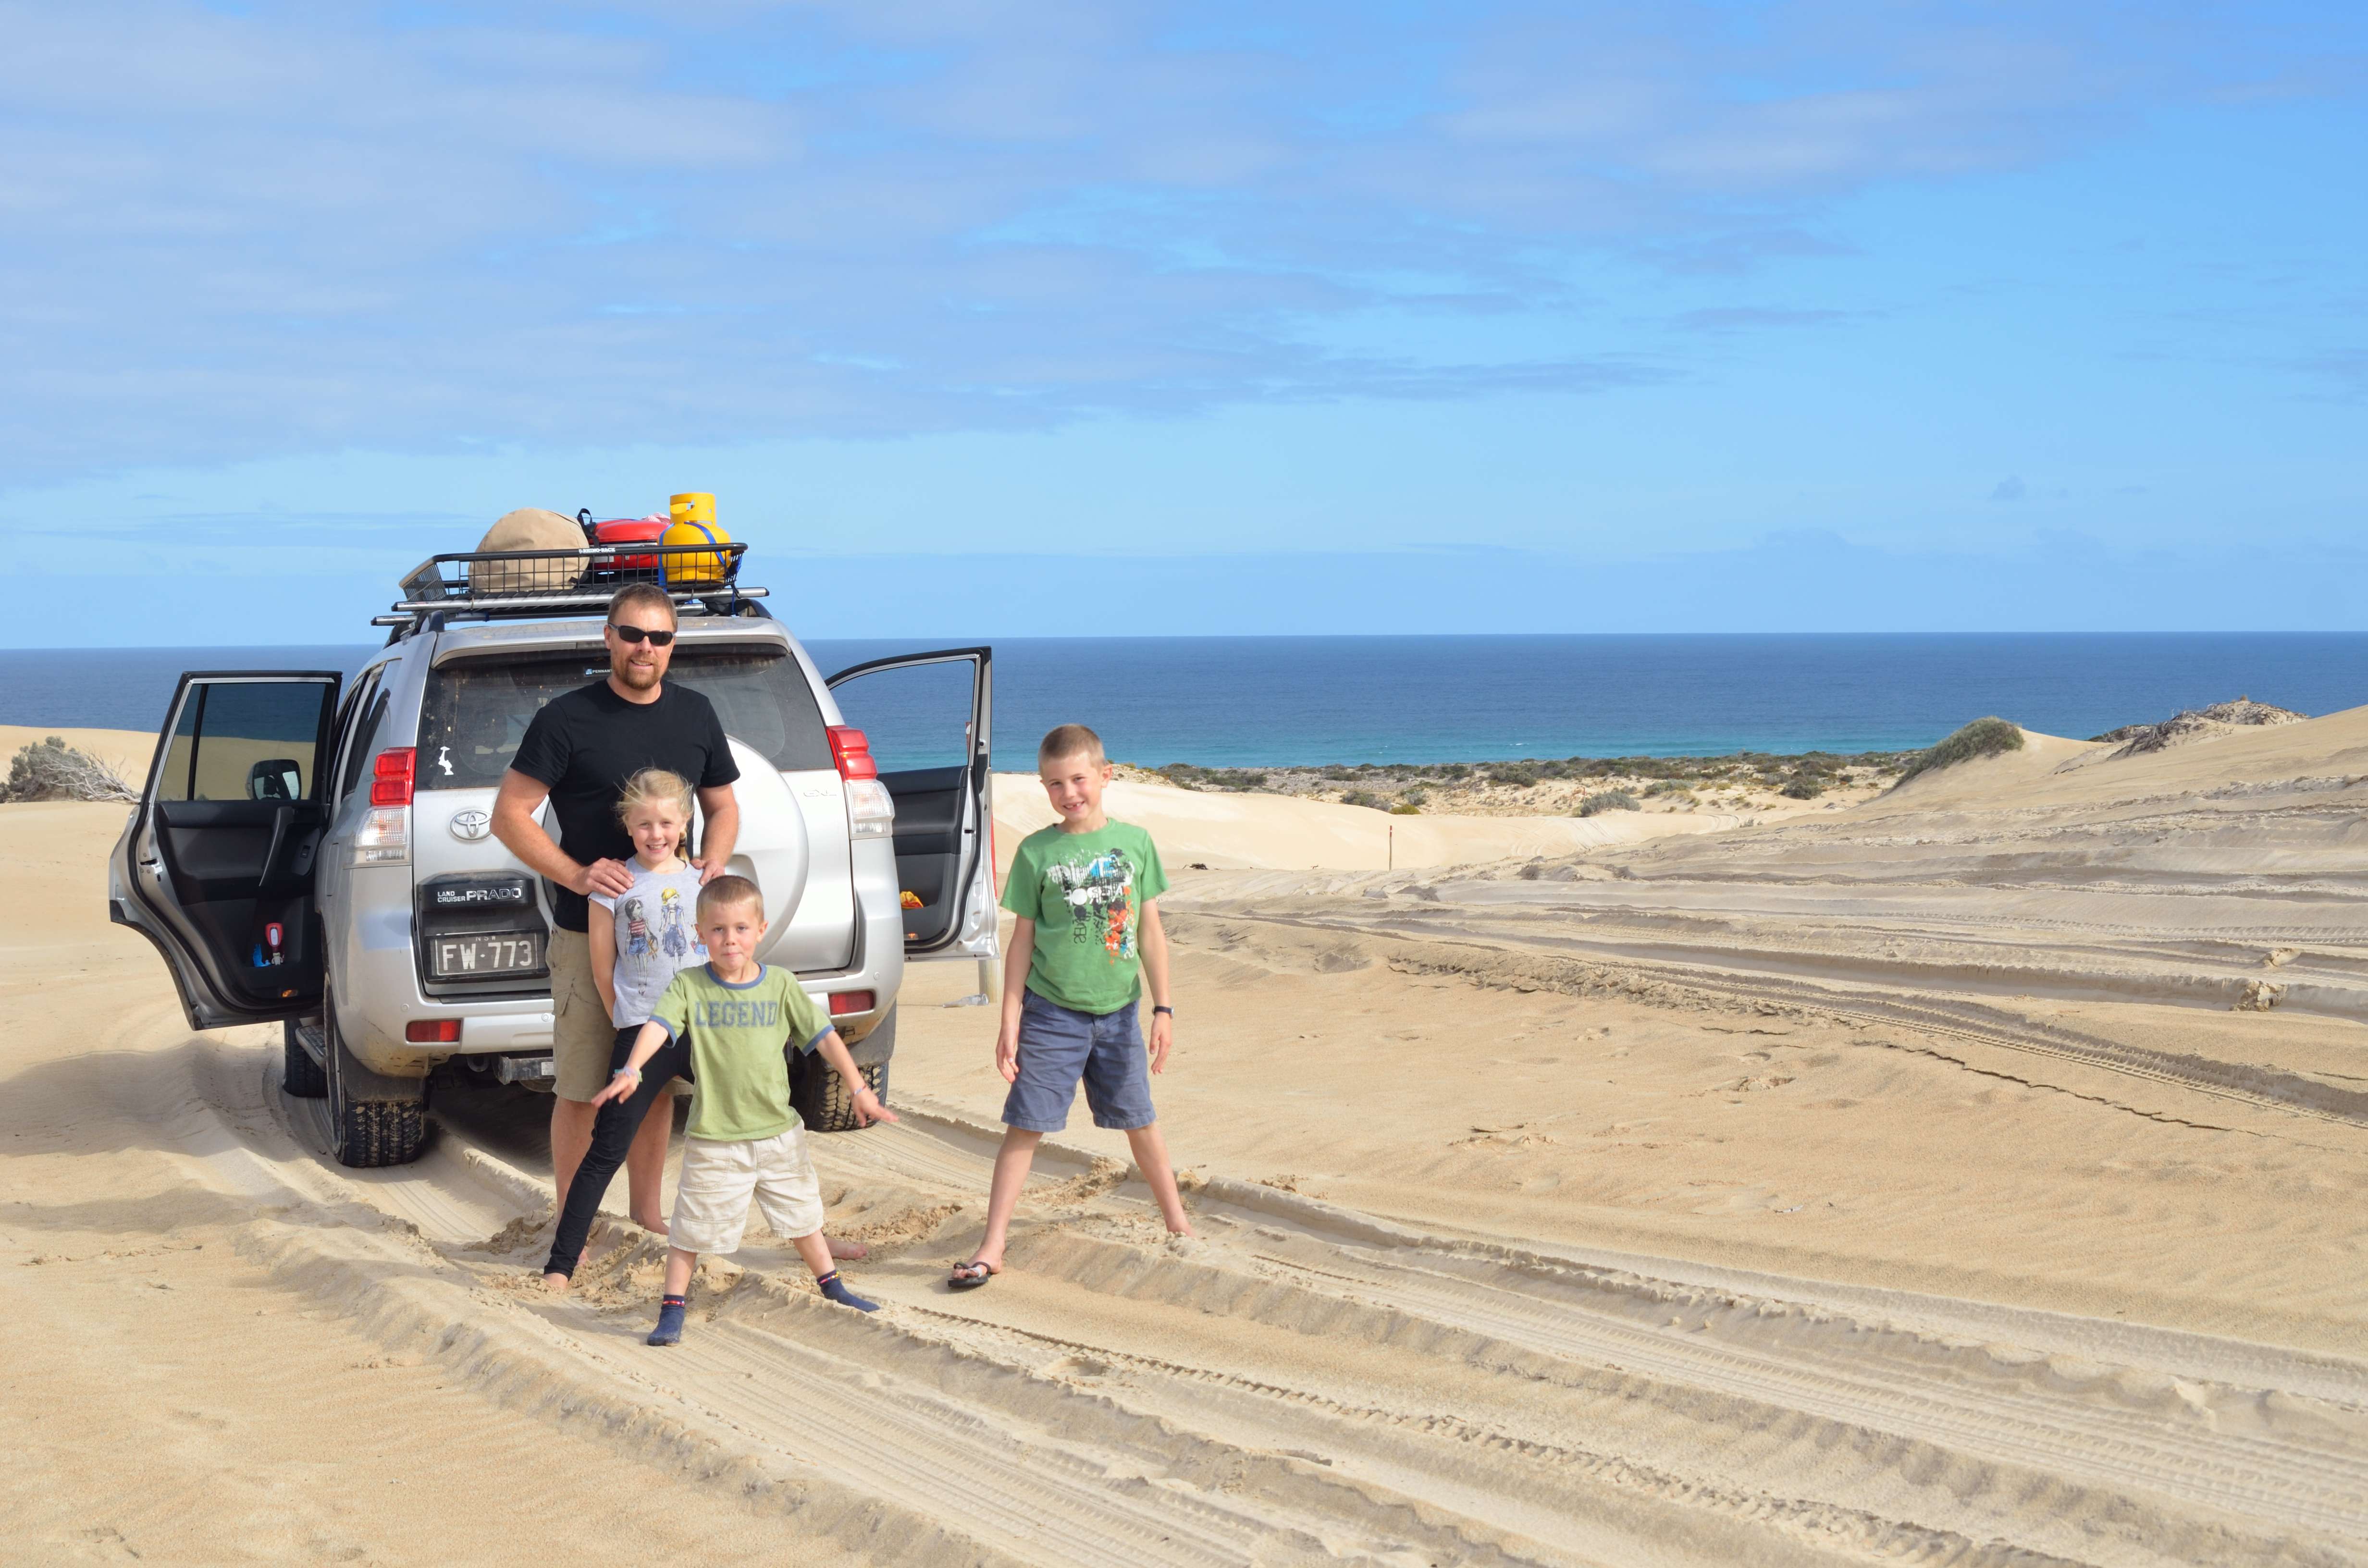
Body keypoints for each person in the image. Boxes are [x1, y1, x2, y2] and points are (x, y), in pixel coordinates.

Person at [491, 583, 740, 1235]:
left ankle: (647, 1213)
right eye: (632, 634)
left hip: (675, 951)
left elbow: (724, 805)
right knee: (579, 1089)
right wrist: (575, 874)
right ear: (608, 636)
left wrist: (712, 865)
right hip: (588, 939)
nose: (644, 648)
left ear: (673, 646)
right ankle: (577, 1223)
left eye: (658, 638)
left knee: (652, 1085)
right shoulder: (566, 719)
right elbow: (509, 815)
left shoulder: (696, 714)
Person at [594, 876, 894, 1346]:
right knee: (690, 1230)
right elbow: (656, 1025)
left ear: (760, 930)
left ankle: (833, 1287)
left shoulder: (780, 985)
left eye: (739, 928)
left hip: (778, 1134)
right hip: (715, 1138)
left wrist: (858, 1087)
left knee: (804, 1218)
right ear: (698, 935)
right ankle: (672, 1310)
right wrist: (632, 1067)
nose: (729, 939)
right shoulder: (689, 985)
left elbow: (824, 1038)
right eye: (716, 930)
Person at [948, 723, 1192, 1291]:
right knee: (1025, 1127)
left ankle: (1177, 1221)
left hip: (1119, 1013)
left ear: (1105, 776)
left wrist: (1164, 1010)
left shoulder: (1135, 844)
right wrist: (1008, 1023)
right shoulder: (1037, 852)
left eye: (1078, 779)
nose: (1069, 793)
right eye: (1055, 784)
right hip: (1051, 1014)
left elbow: (1150, 931)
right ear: (1045, 788)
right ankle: (993, 1242)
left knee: (1141, 1121)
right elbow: (1022, 944)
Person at [539, 769, 707, 1287]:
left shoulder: (704, 880)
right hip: (640, 1031)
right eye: (643, 825)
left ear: (683, 824)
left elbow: (725, 952)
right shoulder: (613, 887)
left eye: (665, 823)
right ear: (628, 828)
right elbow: (600, 966)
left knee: (764, 1123)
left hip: (701, 1028)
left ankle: (813, 1244)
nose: (655, 834)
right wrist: (625, 1020)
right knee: (606, 1147)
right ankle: (561, 1263)